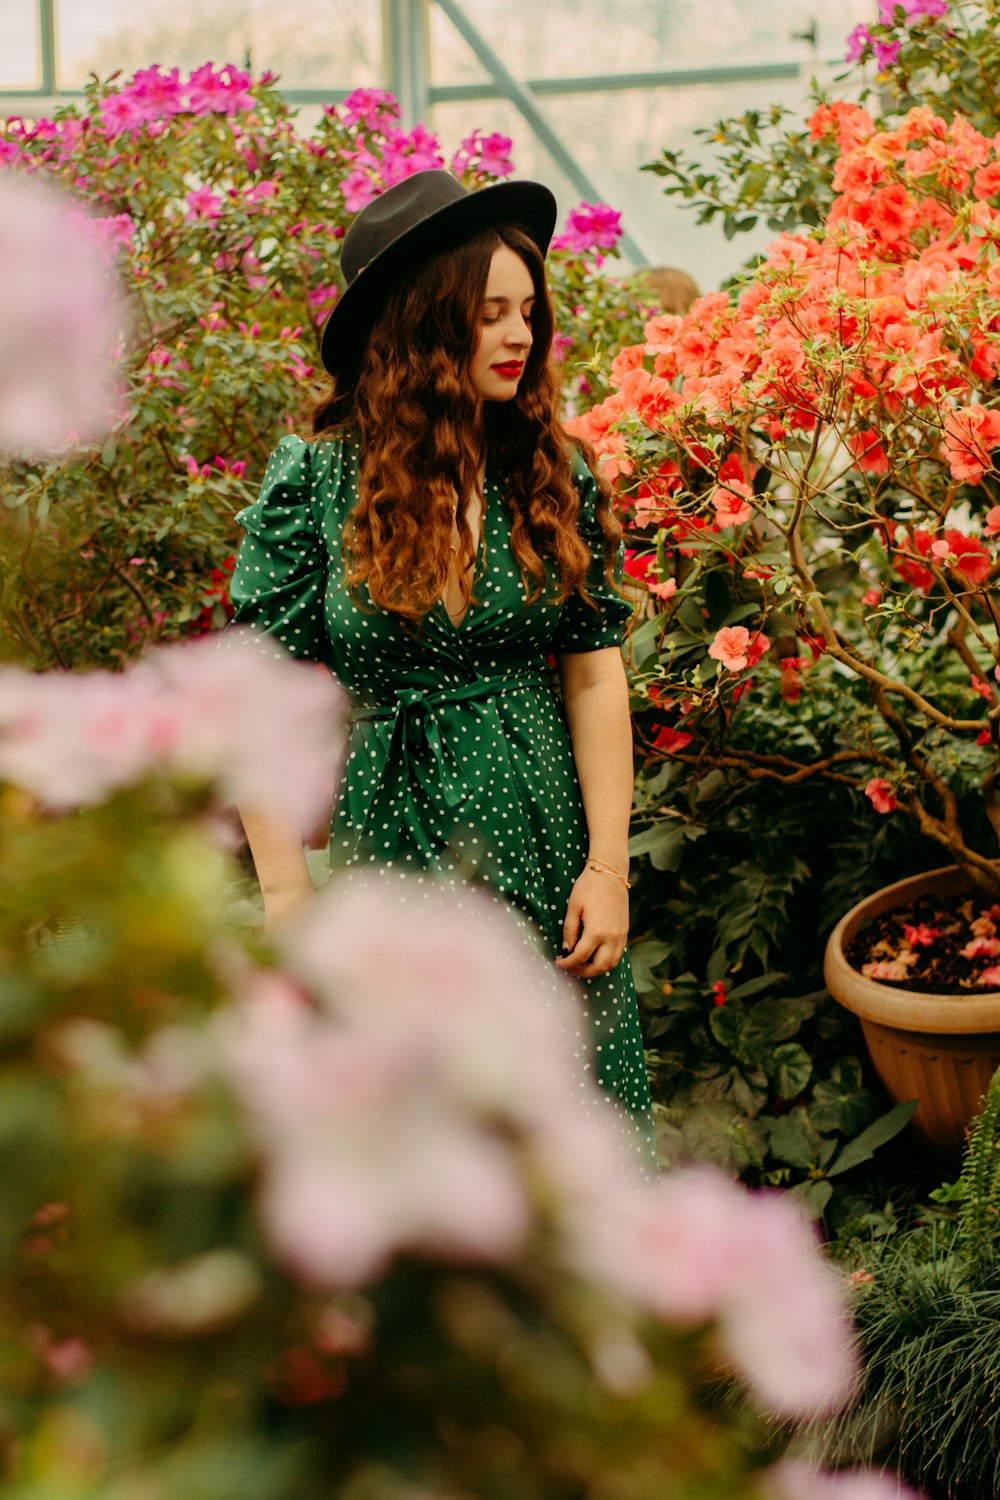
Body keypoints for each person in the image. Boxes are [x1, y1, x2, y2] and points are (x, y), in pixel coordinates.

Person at [228, 169, 654, 1145]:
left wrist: (606, 869)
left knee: (566, 1122)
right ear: (422, 326)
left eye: (527, 313)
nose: (521, 336)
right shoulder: (319, 480)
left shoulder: (551, 469)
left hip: (544, 837)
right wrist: (289, 893)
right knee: (429, 1131)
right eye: (489, 314)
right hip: (395, 853)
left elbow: (592, 670)